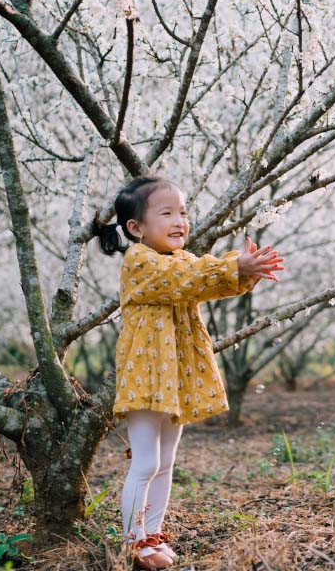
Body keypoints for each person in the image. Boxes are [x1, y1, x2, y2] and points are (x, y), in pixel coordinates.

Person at [92, 177, 284, 569]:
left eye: (183, 212)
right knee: (145, 463)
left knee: (166, 463)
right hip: (147, 377)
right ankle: (135, 542)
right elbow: (188, 280)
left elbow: (204, 279)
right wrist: (234, 265)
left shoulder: (181, 259)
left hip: (174, 377)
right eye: (167, 213)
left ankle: (153, 535)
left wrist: (246, 271)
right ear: (136, 229)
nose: (180, 220)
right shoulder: (140, 261)